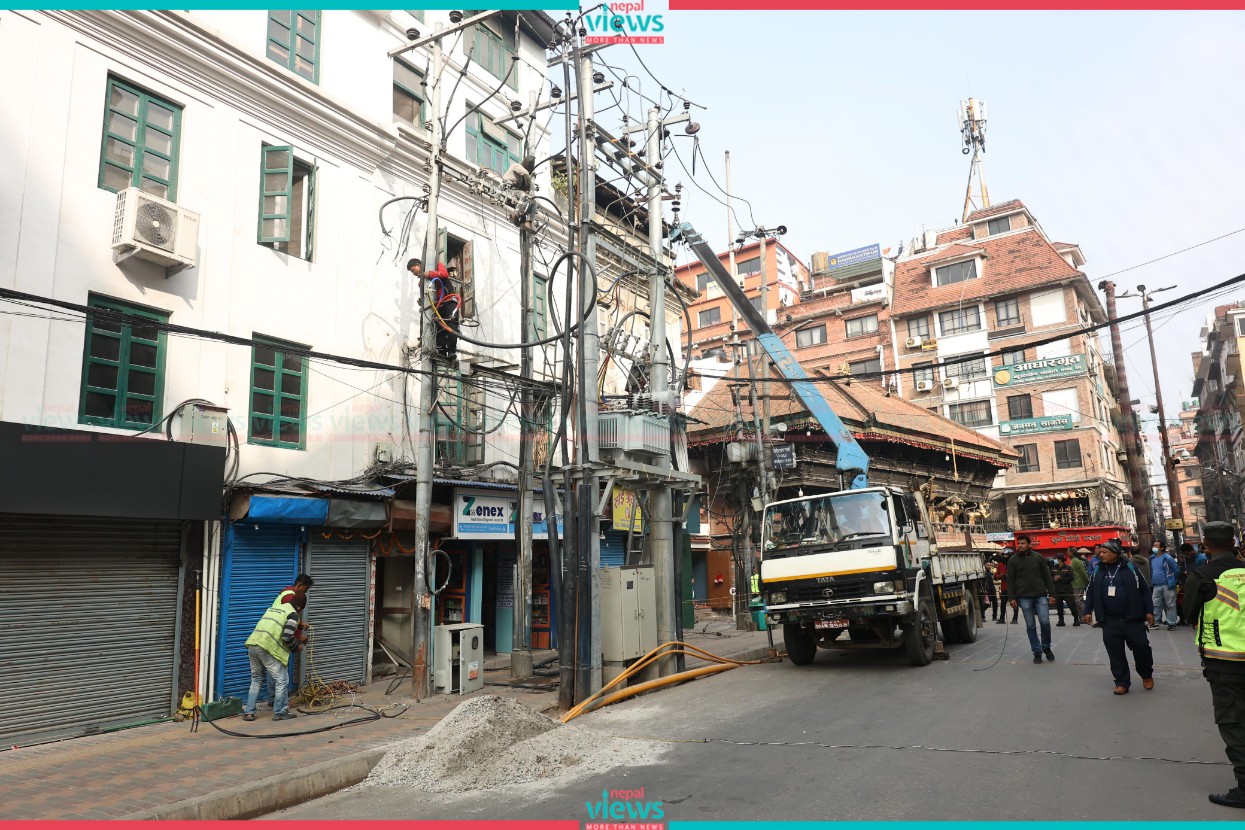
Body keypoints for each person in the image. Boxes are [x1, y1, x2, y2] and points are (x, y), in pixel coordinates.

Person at [1183, 521, 1245, 808]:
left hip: (1225, 664)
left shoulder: (1201, 576)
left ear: (1205, 543)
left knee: (1233, 721)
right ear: (1233, 543)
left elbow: (1189, 614)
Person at [1081, 539, 1154, 695]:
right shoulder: (1098, 571)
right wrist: (1088, 611)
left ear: (1115, 553)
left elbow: (1144, 590)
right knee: (1115, 653)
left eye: (1104, 552)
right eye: (1099, 552)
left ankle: (1146, 674)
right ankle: (1122, 682)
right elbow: (1092, 592)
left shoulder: (1130, 567)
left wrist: (1149, 611)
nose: (1100, 555)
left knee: (1142, 648)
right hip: (1109, 620)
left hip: (1133, 619)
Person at [242, 592, 308, 721]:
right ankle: (280, 711)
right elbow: (287, 637)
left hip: (253, 644)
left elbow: (277, 623)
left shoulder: (276, 608)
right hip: (266, 647)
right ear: (299, 607)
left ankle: (249, 712)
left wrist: (298, 625)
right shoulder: (293, 615)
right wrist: (297, 647)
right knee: (282, 679)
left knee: (256, 679)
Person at [1007, 534, 1058, 664]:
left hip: (1040, 595)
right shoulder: (1013, 560)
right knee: (1030, 625)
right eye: (1019, 543)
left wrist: (1052, 594)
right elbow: (1010, 580)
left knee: (1045, 622)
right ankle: (1036, 651)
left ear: (1029, 544)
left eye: (1023, 543)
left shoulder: (1038, 557)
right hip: (1024, 597)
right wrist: (1011, 597)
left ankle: (1046, 647)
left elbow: (1047, 576)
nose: (1020, 546)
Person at [427, 261, 460, 360]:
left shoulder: (436, 264)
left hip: (449, 300)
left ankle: (451, 351)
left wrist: (429, 274)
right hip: (438, 305)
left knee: (451, 324)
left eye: (413, 270)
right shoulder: (422, 281)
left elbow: (444, 274)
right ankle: (441, 351)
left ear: (418, 265)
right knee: (439, 327)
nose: (414, 273)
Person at [1149, 541, 1181, 631]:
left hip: (1168, 585)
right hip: (1156, 585)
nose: (1154, 547)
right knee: (1155, 605)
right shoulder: (1152, 558)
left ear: (1162, 548)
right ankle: (1154, 622)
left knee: (1170, 605)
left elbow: (1176, 570)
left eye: (1156, 545)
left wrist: (1172, 580)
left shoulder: (1167, 558)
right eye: (1153, 545)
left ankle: (1171, 623)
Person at [1050, 552, 1076, 626]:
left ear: (1060, 560)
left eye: (1056, 558)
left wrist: (1061, 578)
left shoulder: (1068, 568)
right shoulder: (1054, 568)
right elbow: (1050, 577)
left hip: (1067, 590)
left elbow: (1071, 578)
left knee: (1072, 606)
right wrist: (1054, 579)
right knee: (1059, 607)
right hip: (1057, 590)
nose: (1054, 560)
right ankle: (1061, 620)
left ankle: (1076, 619)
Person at [995, 550, 1019, 624]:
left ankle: (1015, 619)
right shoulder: (1000, 565)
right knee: (1003, 604)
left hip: (1013, 588)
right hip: (1004, 588)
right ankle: (1002, 619)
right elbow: (995, 576)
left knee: (1014, 603)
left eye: (1006, 555)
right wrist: (1001, 575)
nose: (1004, 557)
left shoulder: (1014, 564)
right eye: (1003, 555)